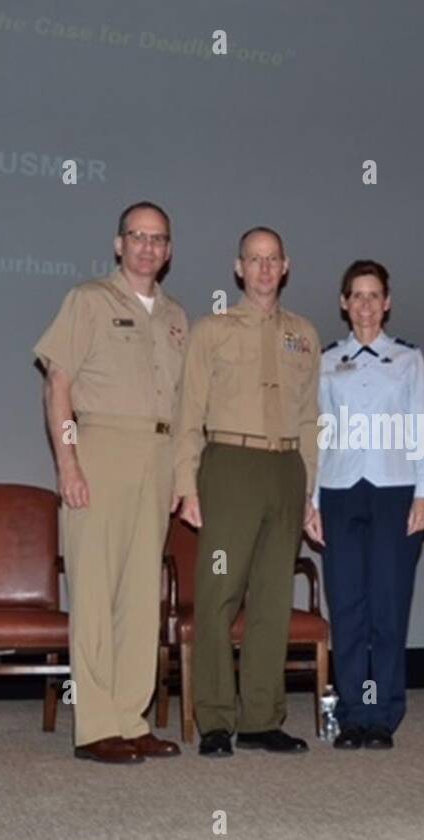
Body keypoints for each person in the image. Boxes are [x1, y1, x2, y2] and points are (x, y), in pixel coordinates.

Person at [33, 201, 187, 764]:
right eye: (137, 236)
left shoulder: (176, 317)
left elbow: (182, 403)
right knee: (95, 591)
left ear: (169, 251)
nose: (148, 246)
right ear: (119, 244)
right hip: (101, 448)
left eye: (159, 238)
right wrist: (68, 462)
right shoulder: (88, 300)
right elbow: (58, 383)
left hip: (160, 455)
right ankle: (97, 726)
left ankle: (130, 716)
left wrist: (181, 474)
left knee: (142, 596)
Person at [173, 227, 320, 758]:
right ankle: (215, 719)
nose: (263, 269)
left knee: (273, 601)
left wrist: (309, 491)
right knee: (217, 595)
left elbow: (309, 419)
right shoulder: (210, 331)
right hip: (229, 467)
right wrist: (186, 485)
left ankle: (261, 717)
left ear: (286, 266)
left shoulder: (304, 333)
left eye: (272, 259)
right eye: (254, 260)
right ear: (238, 268)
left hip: (286, 471)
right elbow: (188, 413)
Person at [304, 260, 424, 750]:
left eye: (373, 295)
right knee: (348, 606)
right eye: (355, 295)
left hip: (393, 490)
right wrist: (311, 501)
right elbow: (318, 435)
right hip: (339, 491)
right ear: (343, 303)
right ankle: (353, 714)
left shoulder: (408, 360)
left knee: (387, 605)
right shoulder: (324, 360)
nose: (364, 304)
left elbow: (423, 430)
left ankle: (382, 715)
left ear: (387, 303)